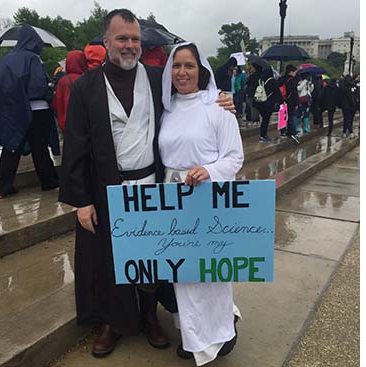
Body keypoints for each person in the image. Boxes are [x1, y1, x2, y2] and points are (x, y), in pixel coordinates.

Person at [58, 9, 235, 358]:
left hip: (153, 186)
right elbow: (74, 146)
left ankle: (149, 316)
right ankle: (112, 322)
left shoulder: (157, 79)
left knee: (152, 260)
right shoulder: (85, 88)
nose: (129, 45)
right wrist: (81, 201)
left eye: (135, 39)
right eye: (122, 38)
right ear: (106, 41)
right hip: (106, 189)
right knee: (110, 259)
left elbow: (194, 92)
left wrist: (225, 99)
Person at [159, 42, 243, 366]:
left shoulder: (217, 106)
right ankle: (193, 335)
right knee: (183, 272)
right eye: (177, 66)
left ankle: (220, 332)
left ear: (201, 69)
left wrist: (207, 171)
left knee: (209, 271)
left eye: (189, 66)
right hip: (172, 196)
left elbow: (234, 156)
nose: (182, 72)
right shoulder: (166, 107)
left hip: (207, 196)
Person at [0, 25, 60, 199]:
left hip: (15, 112)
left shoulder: (7, 59)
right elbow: (38, 86)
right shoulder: (34, 58)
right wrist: (49, 88)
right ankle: (49, 182)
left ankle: (3, 187)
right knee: (40, 148)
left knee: (11, 147)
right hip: (38, 111)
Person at [50, 50, 88, 133]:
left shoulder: (62, 81)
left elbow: (55, 104)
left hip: (66, 124)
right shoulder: (87, 79)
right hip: (84, 124)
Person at [253, 63, 282, 142]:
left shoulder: (260, 80)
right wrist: (281, 101)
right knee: (266, 120)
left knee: (263, 119)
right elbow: (277, 93)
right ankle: (263, 136)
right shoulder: (272, 81)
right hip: (268, 104)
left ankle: (263, 135)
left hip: (259, 102)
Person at [276, 65, 299, 139]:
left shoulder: (281, 79)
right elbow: (294, 92)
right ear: (291, 72)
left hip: (282, 100)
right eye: (295, 72)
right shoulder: (292, 80)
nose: (295, 74)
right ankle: (292, 132)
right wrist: (297, 102)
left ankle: (283, 132)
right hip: (290, 101)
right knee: (291, 117)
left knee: (282, 116)